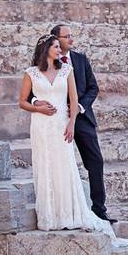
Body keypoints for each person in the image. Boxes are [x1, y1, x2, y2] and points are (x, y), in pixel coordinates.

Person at [18, 34, 128, 244]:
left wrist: (71, 124)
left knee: (65, 166)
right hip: (41, 125)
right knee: (45, 166)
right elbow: (22, 101)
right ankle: (50, 216)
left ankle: (73, 213)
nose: (60, 50)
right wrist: (37, 106)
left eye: (61, 46)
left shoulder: (68, 70)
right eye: (57, 46)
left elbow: (75, 98)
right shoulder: (31, 73)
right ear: (47, 48)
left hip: (62, 123)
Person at [31, 24, 114, 223]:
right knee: (58, 164)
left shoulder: (80, 60)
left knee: (95, 161)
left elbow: (93, 88)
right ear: (55, 39)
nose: (71, 40)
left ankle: (99, 210)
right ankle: (59, 210)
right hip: (54, 121)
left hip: (82, 119)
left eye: (72, 36)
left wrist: (79, 107)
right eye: (66, 36)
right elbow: (33, 89)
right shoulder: (43, 63)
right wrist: (36, 102)